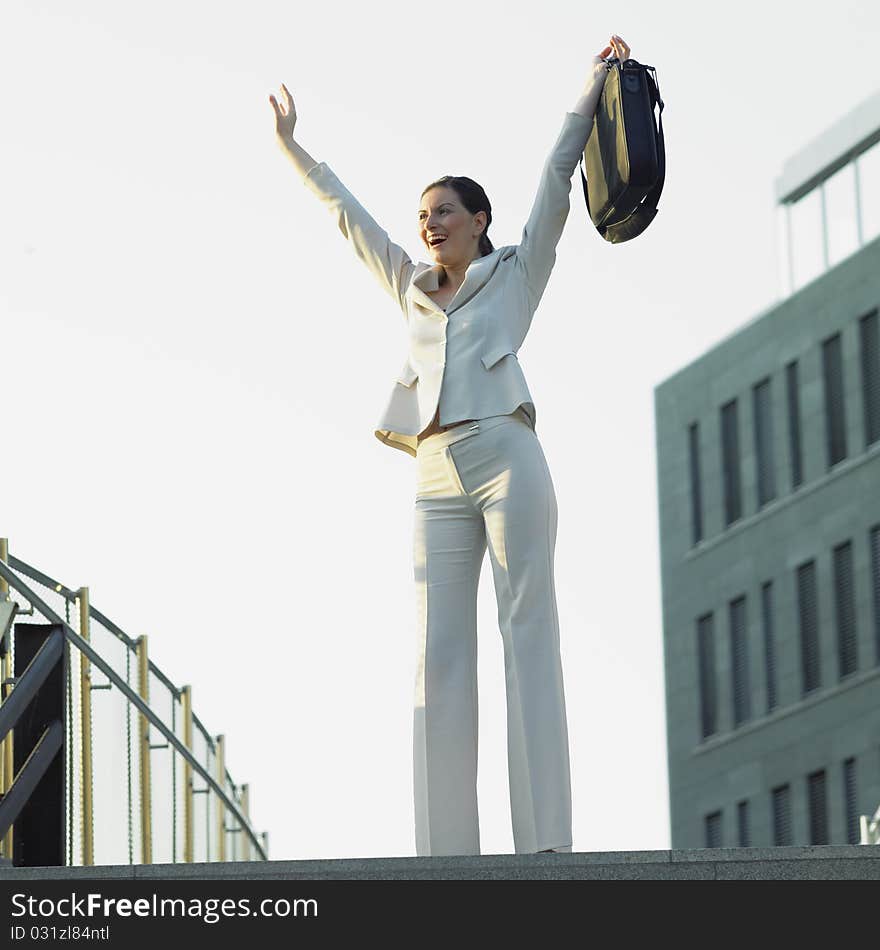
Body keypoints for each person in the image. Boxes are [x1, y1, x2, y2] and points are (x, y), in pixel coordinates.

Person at [269, 34, 632, 856]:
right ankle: (446, 859)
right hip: (434, 470)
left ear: (479, 221)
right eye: (422, 215)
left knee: (527, 634)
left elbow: (552, 180)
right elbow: (345, 217)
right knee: (437, 659)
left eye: (442, 212)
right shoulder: (408, 285)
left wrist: (595, 80)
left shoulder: (517, 269)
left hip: (508, 456)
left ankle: (545, 849)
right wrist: (294, 149)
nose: (428, 224)